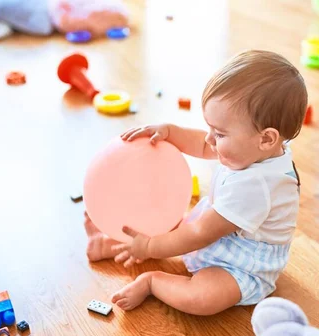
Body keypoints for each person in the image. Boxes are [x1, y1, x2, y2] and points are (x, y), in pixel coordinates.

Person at [84, 49, 307, 315]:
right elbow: (203, 145)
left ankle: (152, 281)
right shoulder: (255, 146)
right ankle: (114, 242)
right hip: (217, 227)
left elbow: (200, 234)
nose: (210, 139)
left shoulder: (258, 186)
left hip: (244, 263)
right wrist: (170, 131)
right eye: (211, 129)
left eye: (220, 133)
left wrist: (152, 248)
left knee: (203, 298)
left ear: (267, 138)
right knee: (168, 225)